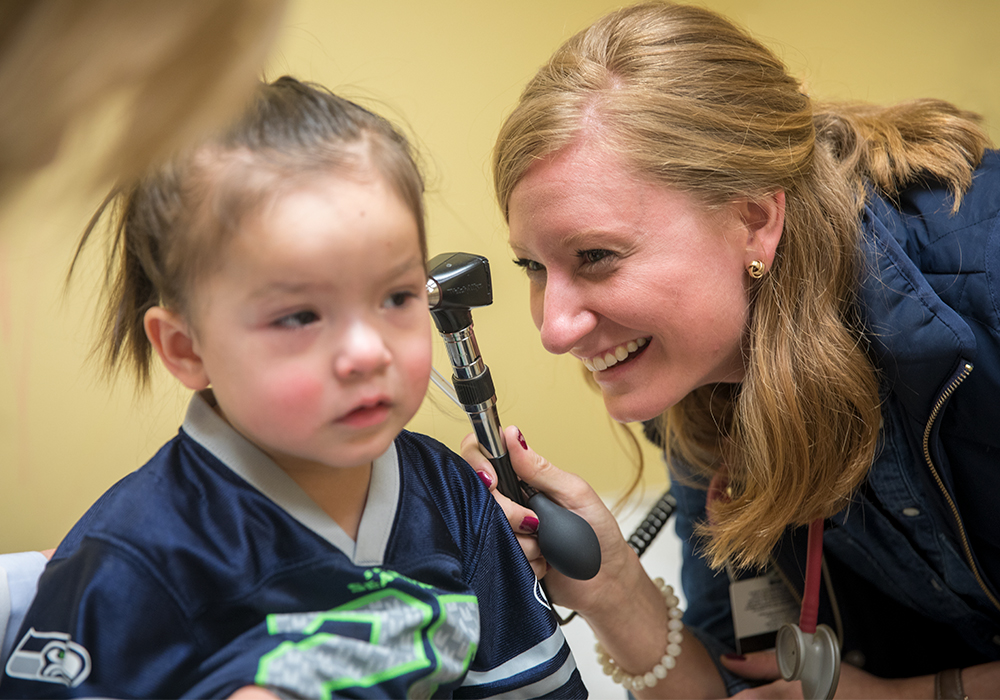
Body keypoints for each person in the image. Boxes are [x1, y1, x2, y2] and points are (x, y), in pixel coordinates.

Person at [461, 1, 1000, 697]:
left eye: (595, 255)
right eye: (532, 268)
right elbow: (734, 683)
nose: (554, 329)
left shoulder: (982, 285)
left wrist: (918, 696)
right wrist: (613, 587)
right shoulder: (703, 380)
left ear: (753, 219)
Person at [0, 77, 586, 699]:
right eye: (300, 316)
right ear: (186, 348)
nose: (368, 351)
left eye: (396, 296)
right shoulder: (127, 563)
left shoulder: (453, 500)